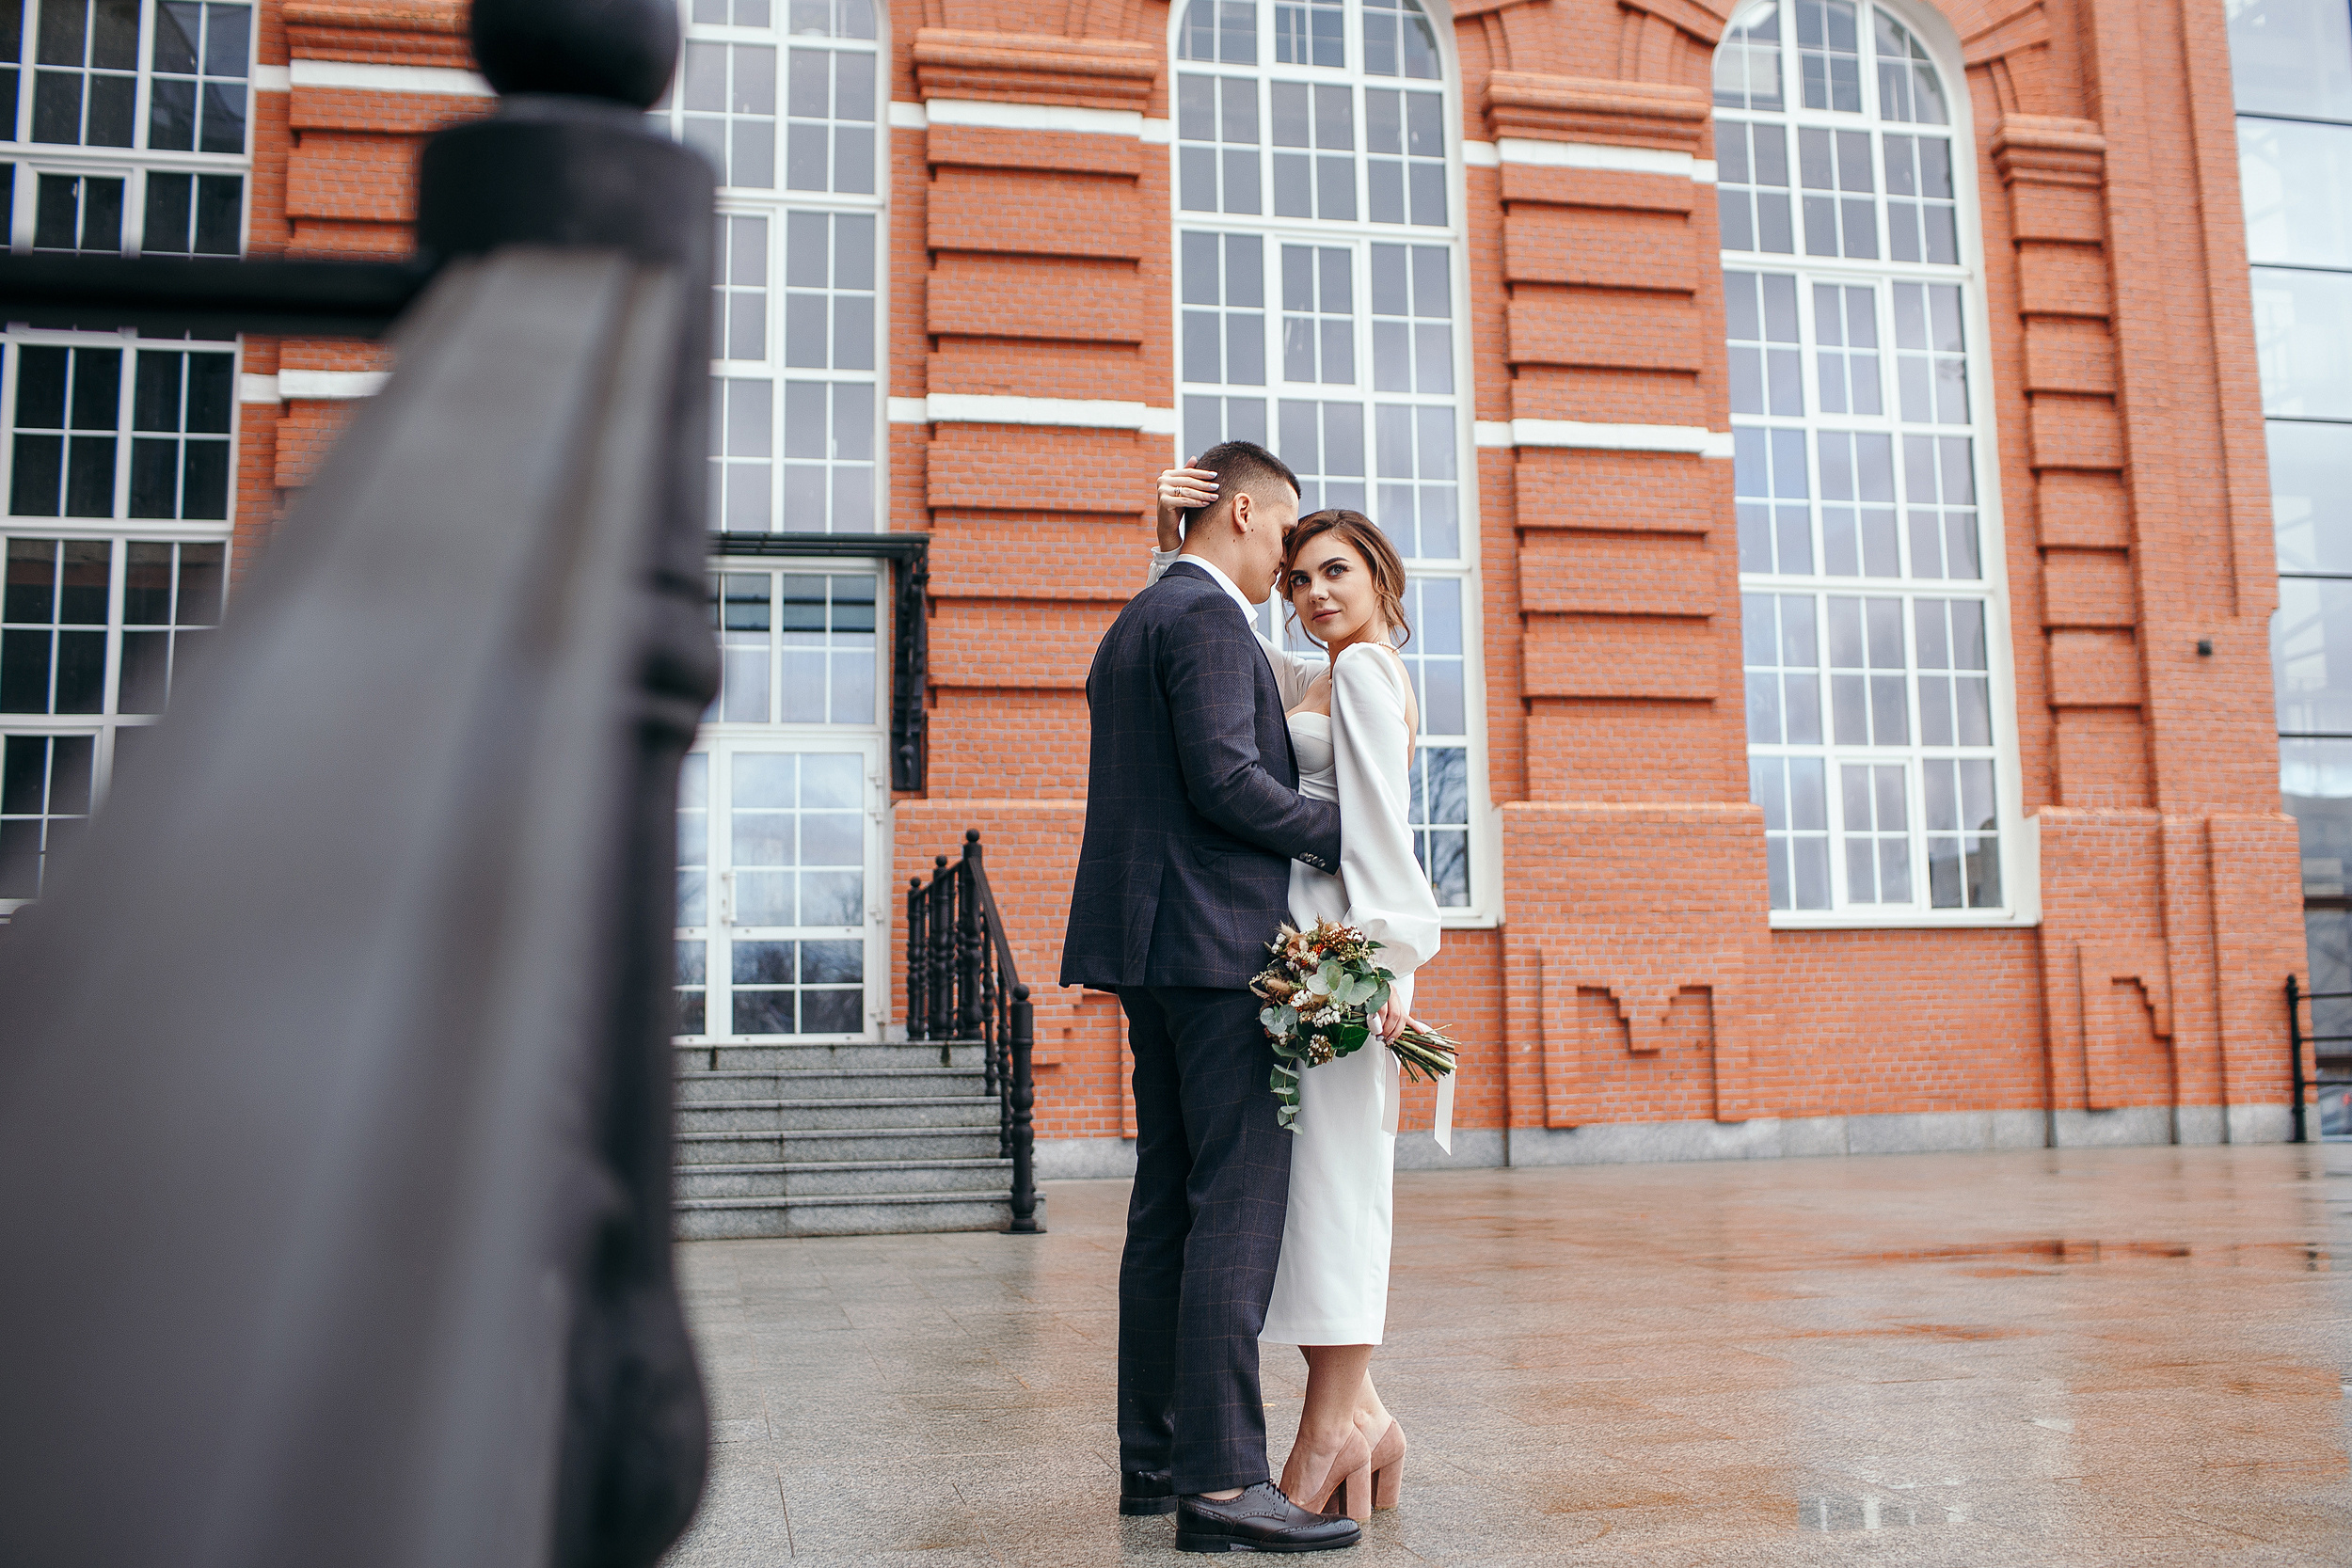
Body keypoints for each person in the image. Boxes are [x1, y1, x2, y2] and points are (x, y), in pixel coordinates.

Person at [1058, 441, 1364, 1555]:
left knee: (1169, 1204)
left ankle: (1157, 1458)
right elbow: (1226, 779)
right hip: (1215, 947)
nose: (1289, 570)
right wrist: (1354, 833)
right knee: (1235, 1202)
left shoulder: (1142, 615)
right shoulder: (1198, 620)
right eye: (1286, 540)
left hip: (1155, 947)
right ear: (1243, 510)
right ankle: (1226, 1482)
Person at [1146, 462, 1443, 1526]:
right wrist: (1169, 532)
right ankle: (1362, 1418)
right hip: (1304, 946)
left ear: (1377, 575)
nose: (1314, 590)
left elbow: (1378, 829)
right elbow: (1205, 629)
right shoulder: (1313, 669)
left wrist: (1386, 966)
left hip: (1342, 958)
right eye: (1299, 576)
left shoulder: (1363, 675)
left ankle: (1330, 1427)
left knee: (1339, 1195)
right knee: (1315, 1195)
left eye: (1336, 571)